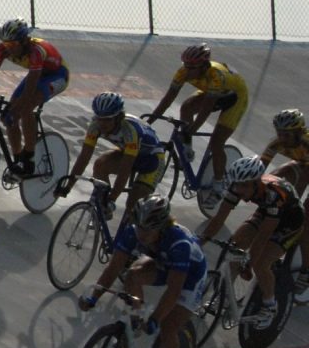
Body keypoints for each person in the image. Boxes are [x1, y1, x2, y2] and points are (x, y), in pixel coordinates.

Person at [79, 195, 207, 348]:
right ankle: (136, 320)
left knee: (168, 326)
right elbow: (113, 268)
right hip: (163, 262)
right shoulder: (133, 232)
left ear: (162, 227)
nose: (141, 234)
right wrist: (94, 296)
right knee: (132, 275)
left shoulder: (180, 244)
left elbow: (174, 291)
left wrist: (156, 318)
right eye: (139, 227)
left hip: (190, 277)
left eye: (147, 230)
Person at [198, 156, 305, 328]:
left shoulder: (273, 195)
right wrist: (199, 242)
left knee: (261, 263)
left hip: (290, 222)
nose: (240, 190)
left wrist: (249, 264)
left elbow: (263, 236)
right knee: (234, 247)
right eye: (238, 185)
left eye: (245, 186)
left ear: (257, 183)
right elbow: (218, 219)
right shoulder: (236, 188)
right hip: (266, 213)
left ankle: (270, 306)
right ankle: (224, 297)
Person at [0, 18, 69, 179]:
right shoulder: (2, 50)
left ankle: (29, 158)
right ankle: (17, 161)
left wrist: (16, 111)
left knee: (25, 108)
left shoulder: (36, 51)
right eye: (6, 44)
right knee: (8, 116)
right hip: (37, 74)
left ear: (24, 40)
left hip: (57, 75)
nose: (9, 48)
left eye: (12, 44)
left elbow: (29, 91)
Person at [146, 43, 247, 198]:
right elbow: (167, 99)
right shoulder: (183, 72)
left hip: (236, 96)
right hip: (213, 91)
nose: (188, 70)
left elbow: (206, 109)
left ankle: (219, 184)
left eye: (192, 67)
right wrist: (148, 123)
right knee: (186, 107)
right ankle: (187, 151)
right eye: (186, 66)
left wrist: (192, 129)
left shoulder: (216, 75)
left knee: (216, 143)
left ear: (204, 65)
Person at [56, 92, 167, 223]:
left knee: (133, 205)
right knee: (100, 164)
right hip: (129, 152)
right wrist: (69, 186)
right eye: (99, 118)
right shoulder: (95, 126)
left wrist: (112, 200)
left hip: (152, 159)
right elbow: (84, 158)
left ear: (118, 117)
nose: (102, 123)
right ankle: (102, 208)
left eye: (108, 119)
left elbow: (125, 170)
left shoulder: (129, 130)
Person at [258, 109, 309, 290]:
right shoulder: (277, 143)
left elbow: (301, 183)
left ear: (299, 132)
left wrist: (293, 210)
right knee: (277, 174)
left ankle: (306, 270)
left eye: (286, 134)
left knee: (305, 221)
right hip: (304, 163)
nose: (281, 138)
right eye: (279, 133)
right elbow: (259, 170)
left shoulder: (307, 143)